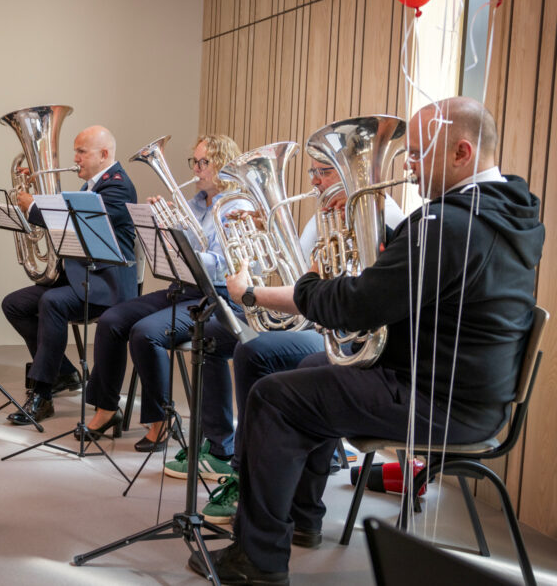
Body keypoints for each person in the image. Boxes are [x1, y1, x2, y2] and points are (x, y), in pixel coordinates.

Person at [192, 97, 544, 584]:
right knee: (309, 370)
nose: (410, 169)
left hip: (439, 402)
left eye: (420, 155)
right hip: (460, 391)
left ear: (463, 152)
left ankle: (258, 561)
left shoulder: (451, 224)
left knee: (272, 397)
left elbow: (361, 303)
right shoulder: (504, 213)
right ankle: (300, 521)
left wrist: (312, 282)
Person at [181, 153, 406, 527]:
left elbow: (340, 297)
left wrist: (252, 294)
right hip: (324, 326)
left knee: (257, 353)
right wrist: (261, 240)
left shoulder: (389, 218)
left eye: (325, 171)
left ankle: (253, 478)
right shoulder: (326, 216)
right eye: (312, 172)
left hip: (357, 338)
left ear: (356, 174)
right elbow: (300, 276)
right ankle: (240, 462)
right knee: (236, 343)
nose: (315, 181)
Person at [81, 135, 251, 454]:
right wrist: (156, 225)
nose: (197, 169)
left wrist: (180, 247)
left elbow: (223, 266)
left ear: (224, 167)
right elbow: (171, 253)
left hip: (215, 298)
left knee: (146, 334)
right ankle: (105, 408)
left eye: (204, 163)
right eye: (195, 162)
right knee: (111, 319)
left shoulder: (236, 207)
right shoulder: (195, 203)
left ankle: (161, 419)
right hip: (183, 289)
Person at [2, 125, 138, 425]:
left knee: (52, 302)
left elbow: (71, 226)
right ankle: (62, 371)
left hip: (108, 287)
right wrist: (37, 198)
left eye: (81, 151)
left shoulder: (117, 187)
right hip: (81, 280)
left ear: (104, 155)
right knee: (14, 304)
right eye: (75, 151)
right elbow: (66, 219)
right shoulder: (92, 185)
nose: (74, 157)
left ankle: (42, 394)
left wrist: (33, 208)